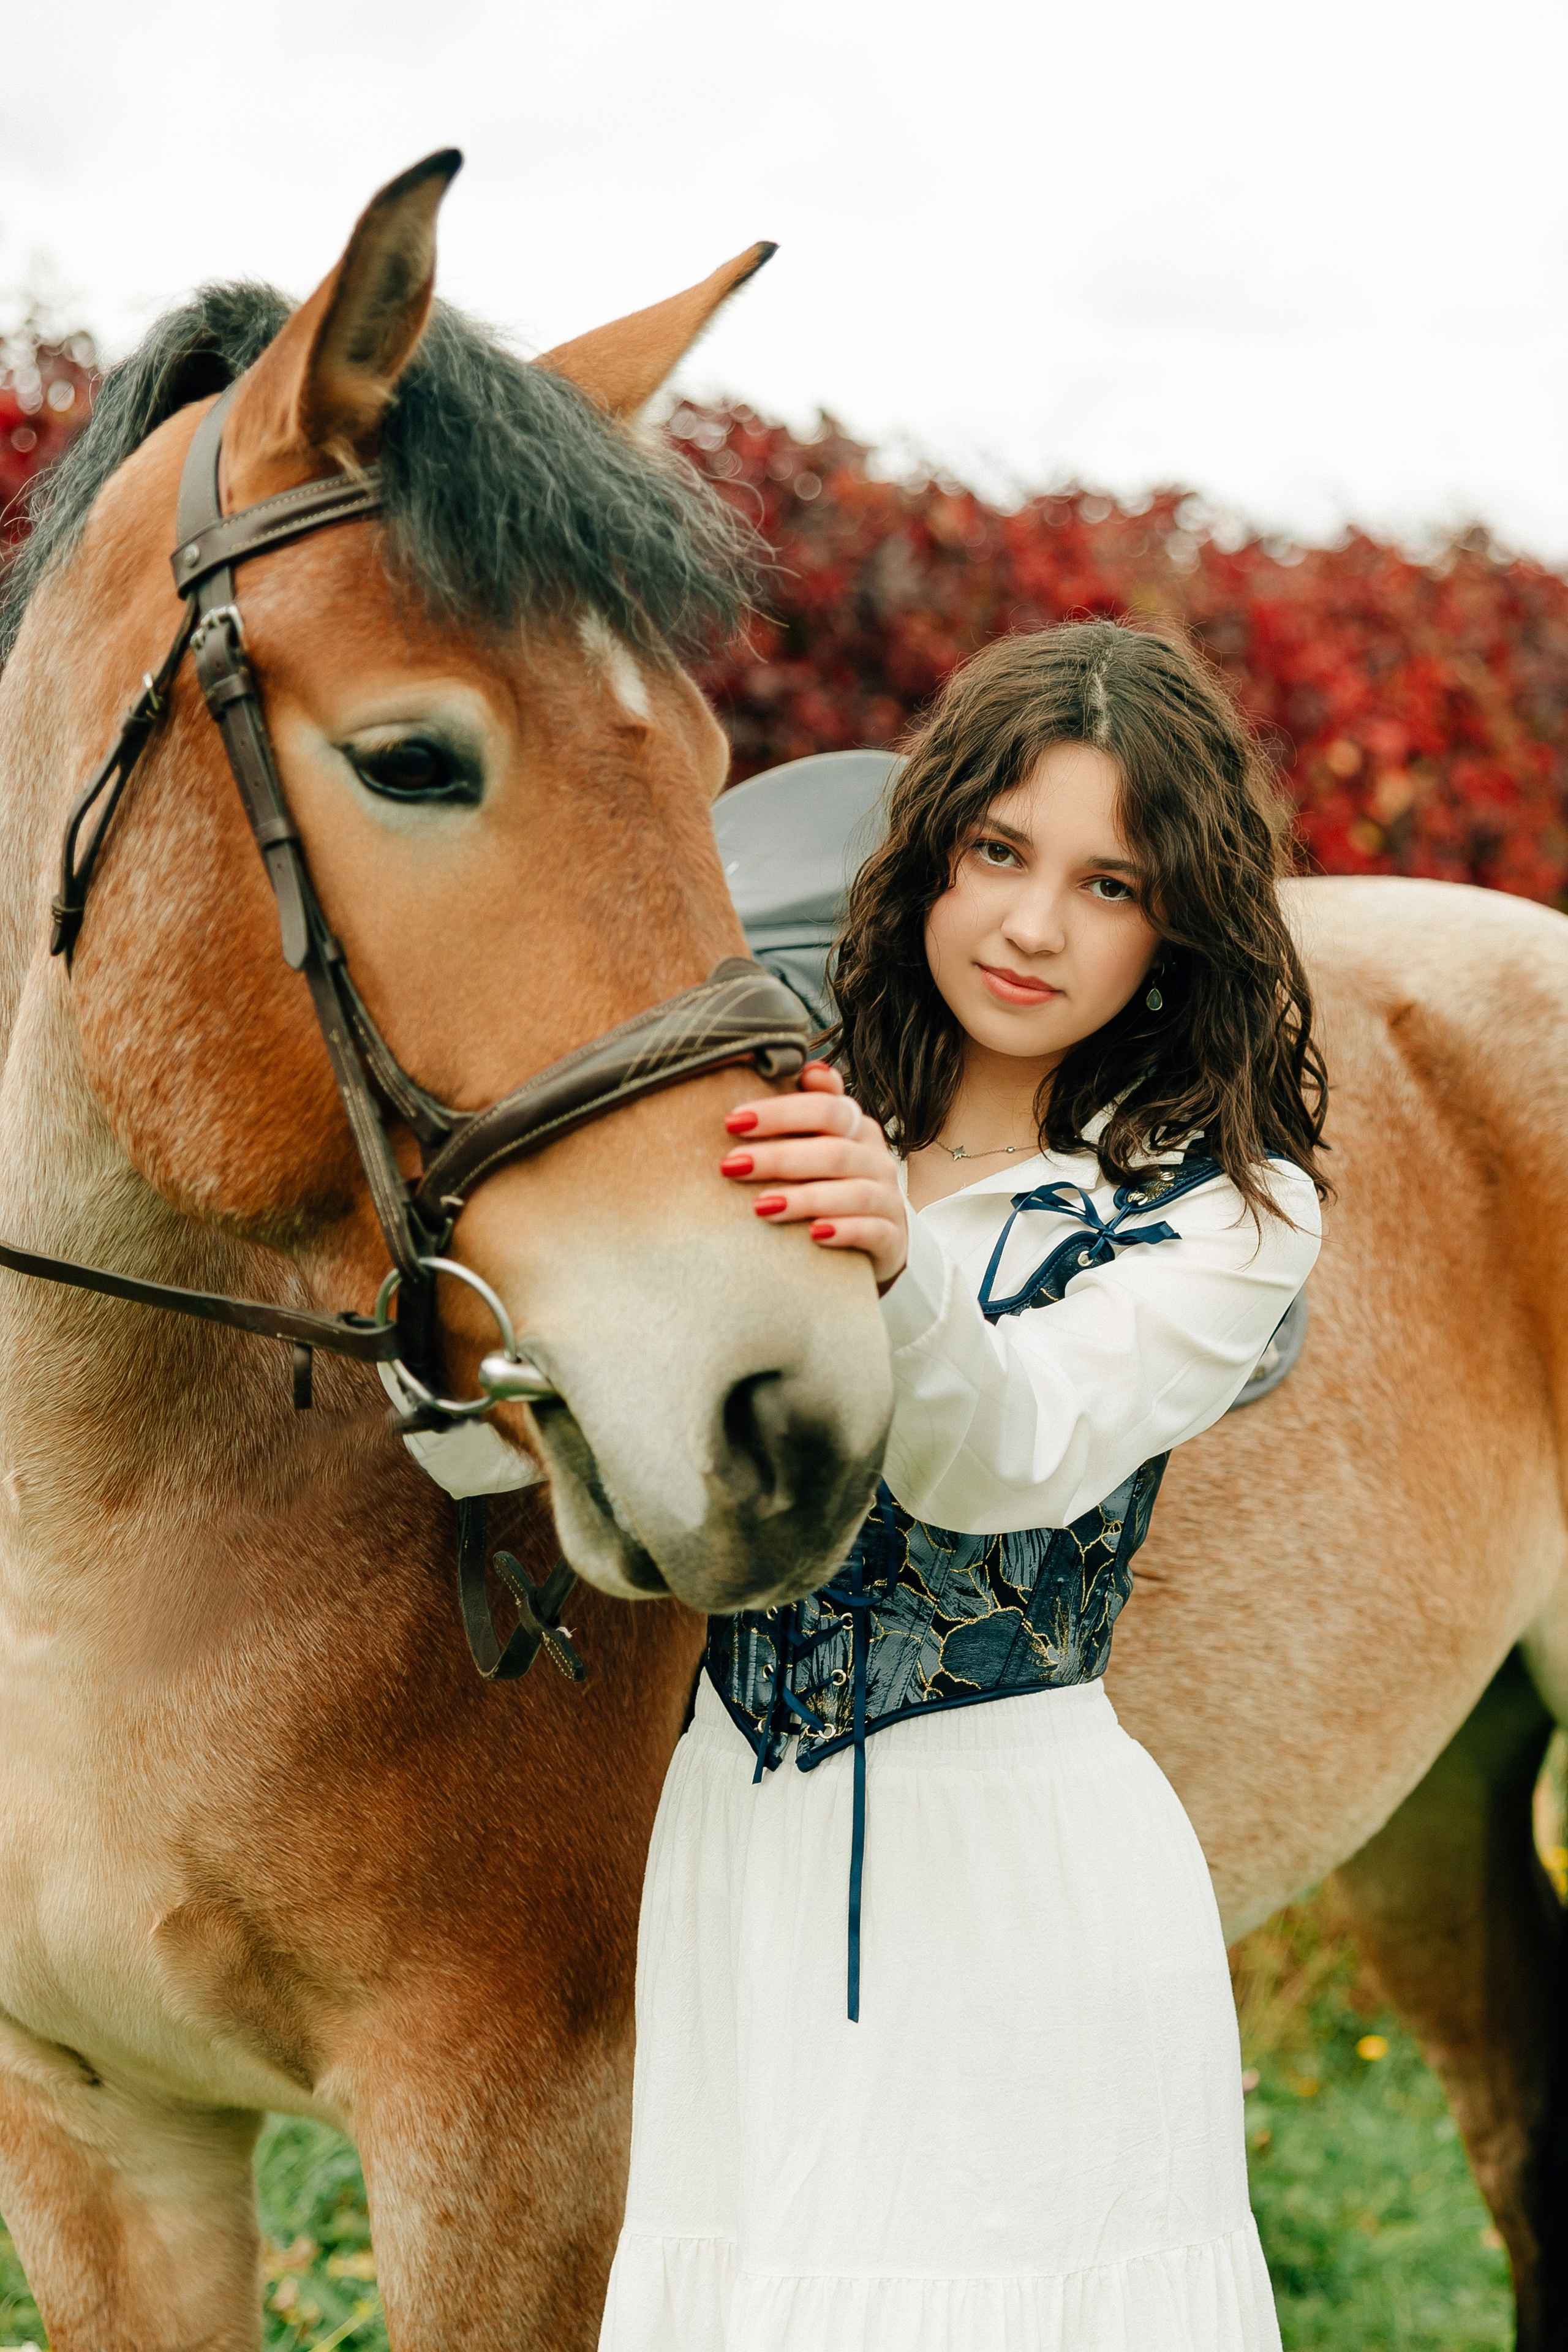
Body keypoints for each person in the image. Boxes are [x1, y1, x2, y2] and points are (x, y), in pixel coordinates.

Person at [596, 617, 1326, 2352]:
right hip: (736, 1834)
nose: (1032, 925)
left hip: (1006, 1874)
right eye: (1000, 852)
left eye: (1108, 885)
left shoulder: (1222, 1209)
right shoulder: (776, 1107)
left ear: (1174, 929)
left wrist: (894, 1250)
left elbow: (1010, 1451)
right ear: (929, 855)